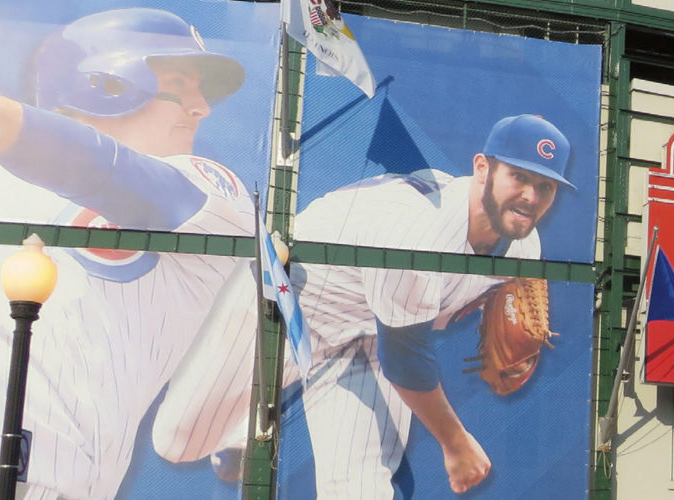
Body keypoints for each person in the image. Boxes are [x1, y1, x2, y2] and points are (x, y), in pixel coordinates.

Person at [0, 8, 255, 499]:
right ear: (108, 82)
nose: (201, 107)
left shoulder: (212, 192)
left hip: (52, 487)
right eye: (182, 83)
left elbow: (109, 172)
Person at [151, 114, 576, 497]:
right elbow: (407, 358)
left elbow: (428, 321)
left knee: (360, 489)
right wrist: (457, 445)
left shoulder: (525, 245)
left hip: (369, 337)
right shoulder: (416, 227)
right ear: (483, 168)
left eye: (545, 186)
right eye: (518, 176)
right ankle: (237, 426)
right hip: (293, 304)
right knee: (177, 443)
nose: (530, 196)